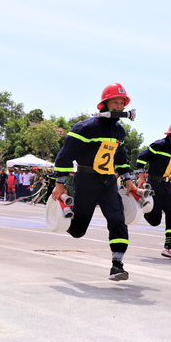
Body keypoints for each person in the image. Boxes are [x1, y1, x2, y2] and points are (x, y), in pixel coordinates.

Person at [51, 82, 137, 281]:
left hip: (108, 183)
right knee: (78, 231)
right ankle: (63, 208)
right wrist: (60, 182)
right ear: (104, 103)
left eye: (122, 102)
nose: (119, 106)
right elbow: (65, 156)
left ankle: (117, 264)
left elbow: (121, 158)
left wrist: (127, 179)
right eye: (115, 101)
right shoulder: (85, 128)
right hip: (86, 180)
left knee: (117, 219)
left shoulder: (119, 132)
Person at [136, 122, 171, 260]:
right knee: (155, 221)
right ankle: (143, 209)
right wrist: (141, 176)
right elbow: (141, 157)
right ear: (170, 134)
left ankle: (168, 247)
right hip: (154, 185)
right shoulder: (158, 146)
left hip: (167, 187)